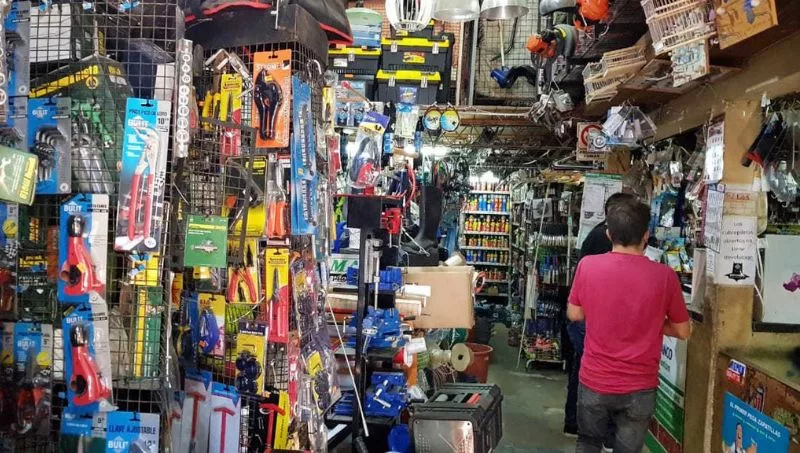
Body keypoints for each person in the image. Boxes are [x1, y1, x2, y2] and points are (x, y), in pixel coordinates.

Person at [567, 198, 690, 453]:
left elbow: (575, 313)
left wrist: (603, 313)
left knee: (588, 443)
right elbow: (682, 330)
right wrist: (652, 322)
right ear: (646, 235)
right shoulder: (665, 276)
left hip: (595, 378)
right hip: (640, 385)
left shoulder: (588, 266)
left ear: (609, 234)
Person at [564, 192, 635, 446]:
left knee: (583, 371)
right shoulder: (603, 238)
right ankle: (586, 428)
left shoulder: (600, 235)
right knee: (587, 373)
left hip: (585, 316)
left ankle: (577, 424)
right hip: (588, 318)